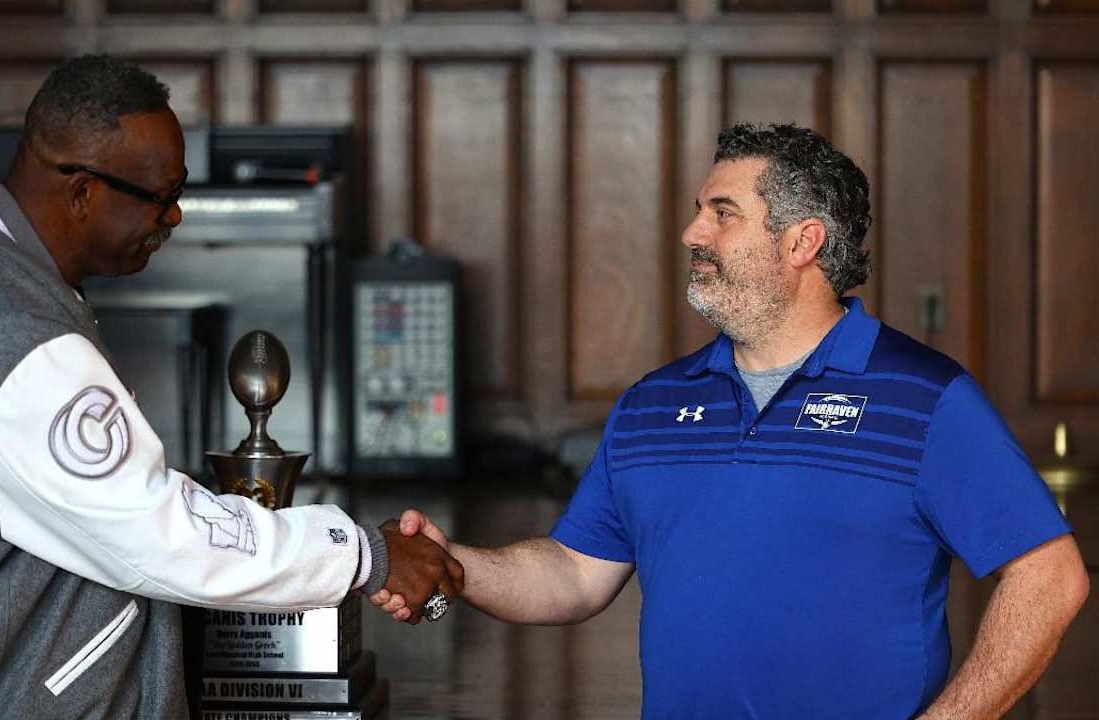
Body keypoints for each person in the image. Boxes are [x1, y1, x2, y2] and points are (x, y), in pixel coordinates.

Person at [372, 123, 1089, 719]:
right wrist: (455, 566)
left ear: (802, 241)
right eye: (698, 210)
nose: (692, 232)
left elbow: (1049, 577)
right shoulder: (651, 404)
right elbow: (573, 575)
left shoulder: (925, 397)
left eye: (723, 212)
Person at [0, 54, 461, 718]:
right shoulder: (14, 339)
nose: (174, 217)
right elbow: (166, 536)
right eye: (162, 196)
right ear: (82, 191)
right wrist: (363, 554)